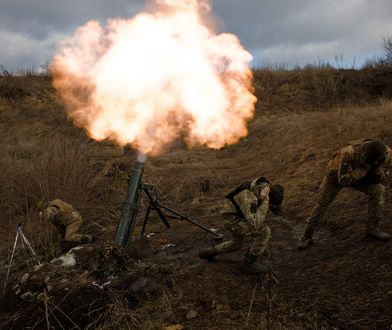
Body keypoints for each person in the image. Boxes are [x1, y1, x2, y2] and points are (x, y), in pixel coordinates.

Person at [298, 138, 391, 250]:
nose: (375, 163)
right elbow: (343, 180)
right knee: (321, 205)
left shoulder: (387, 154)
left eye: (377, 161)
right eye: (371, 161)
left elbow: (383, 179)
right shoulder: (348, 153)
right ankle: (307, 236)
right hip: (335, 178)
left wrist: (376, 170)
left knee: (378, 189)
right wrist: (362, 171)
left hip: (361, 177)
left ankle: (373, 229)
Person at [198, 176, 284, 274]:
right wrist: (265, 203)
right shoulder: (248, 196)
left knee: (236, 244)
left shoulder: (266, 188)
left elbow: (277, 206)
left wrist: (270, 204)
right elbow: (255, 223)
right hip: (232, 221)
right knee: (264, 231)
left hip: (240, 216)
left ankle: (211, 252)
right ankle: (248, 264)